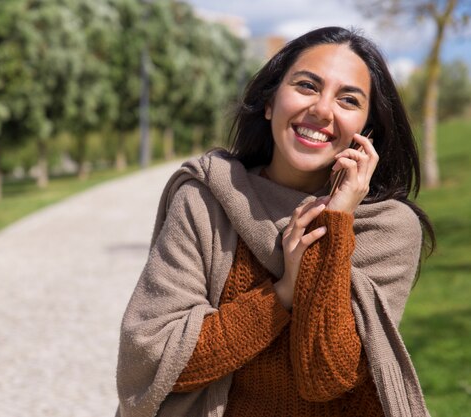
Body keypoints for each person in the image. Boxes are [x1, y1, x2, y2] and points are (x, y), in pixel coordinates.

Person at [115, 26, 435, 417]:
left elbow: (328, 375)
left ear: (366, 131)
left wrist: (336, 224)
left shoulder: (388, 229)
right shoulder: (207, 199)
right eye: (306, 86)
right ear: (270, 103)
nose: (321, 109)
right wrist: (283, 292)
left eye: (348, 99)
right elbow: (153, 361)